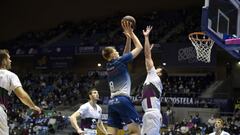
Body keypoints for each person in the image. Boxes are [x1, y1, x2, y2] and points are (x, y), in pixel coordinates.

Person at [102, 20, 143, 135]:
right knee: (135, 131)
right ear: (112, 55)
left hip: (111, 103)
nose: (117, 52)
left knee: (111, 133)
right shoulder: (119, 61)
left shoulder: (109, 65)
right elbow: (139, 47)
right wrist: (131, 33)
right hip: (123, 100)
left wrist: (128, 39)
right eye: (115, 51)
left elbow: (125, 55)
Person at [0, 49, 41, 135]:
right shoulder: (9, 75)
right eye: (8, 58)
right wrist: (33, 106)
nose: (10, 61)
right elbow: (22, 96)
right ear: (3, 61)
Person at [141, 26, 167, 135]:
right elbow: (147, 58)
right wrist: (148, 53)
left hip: (153, 114)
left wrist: (146, 37)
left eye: (157, 69)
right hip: (148, 114)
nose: (155, 68)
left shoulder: (155, 77)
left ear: (159, 73)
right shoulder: (152, 77)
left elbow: (147, 57)